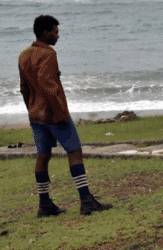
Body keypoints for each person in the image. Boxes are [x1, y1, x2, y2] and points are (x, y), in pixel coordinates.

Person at [19, 15, 113, 217]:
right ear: (46, 32)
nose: (58, 36)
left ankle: (45, 205)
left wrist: (32, 110)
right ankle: (86, 201)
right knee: (75, 151)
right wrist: (60, 113)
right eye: (55, 32)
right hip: (53, 114)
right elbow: (49, 87)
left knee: (42, 156)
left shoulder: (24, 55)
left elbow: (24, 88)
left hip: (36, 115)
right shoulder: (48, 55)